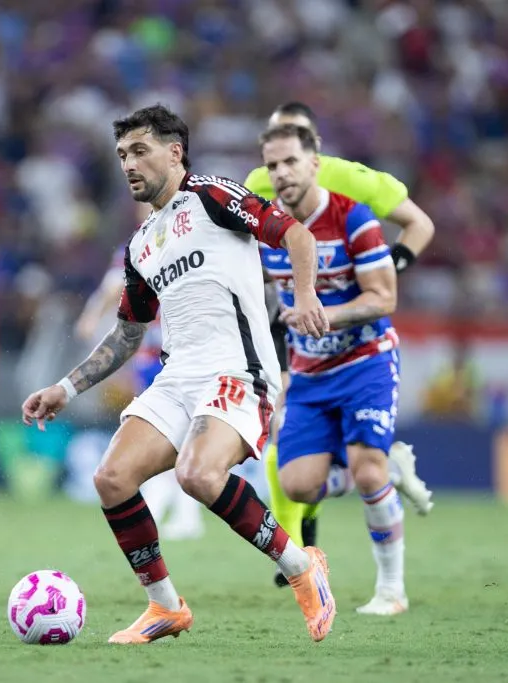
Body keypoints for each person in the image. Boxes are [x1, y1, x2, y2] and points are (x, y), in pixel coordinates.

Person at [22, 104, 336, 644]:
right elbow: (127, 333)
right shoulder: (142, 244)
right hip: (177, 377)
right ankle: (165, 607)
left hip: (239, 369)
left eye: (140, 151)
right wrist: (65, 388)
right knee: (111, 479)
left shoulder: (212, 196)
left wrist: (305, 294)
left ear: (175, 152)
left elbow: (296, 237)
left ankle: (302, 567)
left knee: (197, 475)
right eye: (122, 155)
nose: (129, 164)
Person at [244, 101, 435, 581]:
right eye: (275, 156)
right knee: (286, 457)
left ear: (315, 152)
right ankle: (302, 544)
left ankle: (300, 552)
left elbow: (421, 225)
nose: (283, 169)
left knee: (350, 461)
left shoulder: (355, 184)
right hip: (293, 331)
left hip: (355, 331)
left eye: (294, 152)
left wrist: (386, 268)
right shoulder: (258, 186)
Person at [75, 242, 205, 542]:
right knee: (167, 431)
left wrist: (92, 316)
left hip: (182, 352)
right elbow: (113, 286)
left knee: (174, 432)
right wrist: (93, 315)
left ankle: (176, 510)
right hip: (151, 355)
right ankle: (174, 510)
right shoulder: (137, 245)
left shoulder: (185, 237)